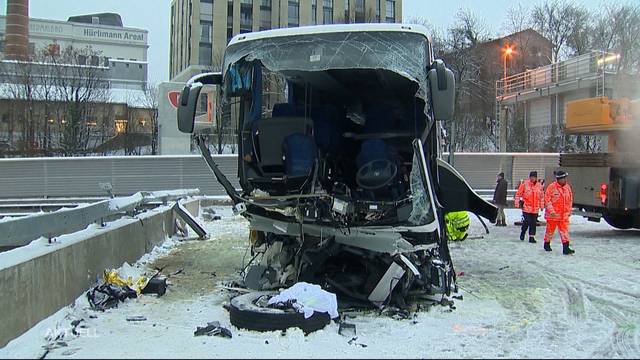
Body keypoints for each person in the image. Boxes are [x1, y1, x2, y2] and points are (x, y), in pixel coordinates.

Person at [543, 170, 575, 255]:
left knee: (564, 232)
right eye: (563, 178)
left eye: (565, 178)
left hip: (563, 215)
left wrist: (569, 210)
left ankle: (566, 248)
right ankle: (547, 244)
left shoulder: (567, 187)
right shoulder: (551, 187)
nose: (565, 180)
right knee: (550, 231)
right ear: (559, 179)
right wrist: (551, 211)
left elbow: (570, 200)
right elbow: (547, 200)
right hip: (553, 215)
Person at [514, 171, 544, 243]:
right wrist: (517, 203)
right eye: (531, 177)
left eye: (534, 177)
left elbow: (542, 197)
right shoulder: (524, 184)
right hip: (526, 208)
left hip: (535, 208)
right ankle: (523, 232)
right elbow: (518, 194)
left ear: (536, 178)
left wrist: (542, 205)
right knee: (527, 221)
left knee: (533, 223)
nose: (532, 178)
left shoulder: (539, 186)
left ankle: (532, 237)